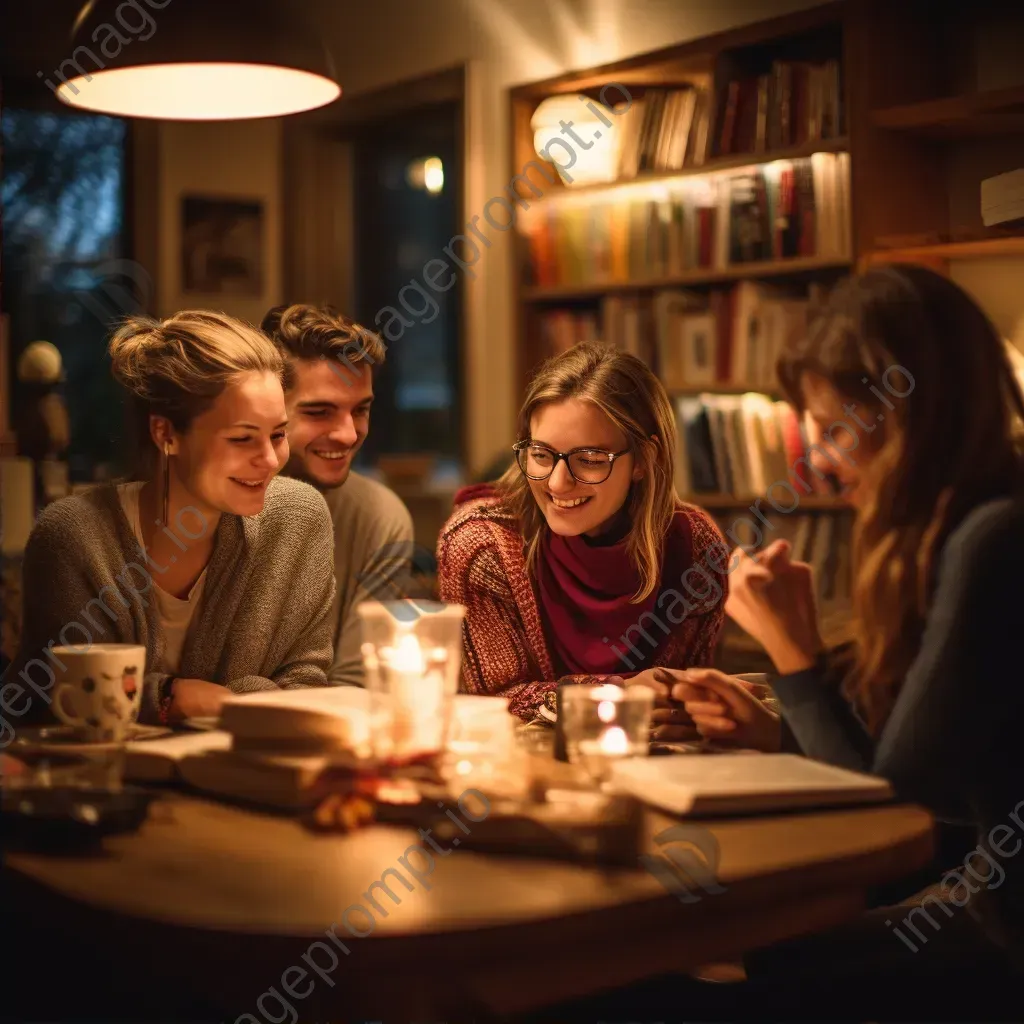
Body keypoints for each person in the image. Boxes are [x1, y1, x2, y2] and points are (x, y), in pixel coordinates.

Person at [661, 265, 1024, 1012]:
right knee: (716, 954)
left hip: (1004, 934)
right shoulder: (969, 522)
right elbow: (936, 779)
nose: (818, 462)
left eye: (831, 430)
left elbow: (889, 808)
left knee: (682, 981)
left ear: (908, 414)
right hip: (977, 891)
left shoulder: (993, 540)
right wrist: (781, 727)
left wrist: (793, 656)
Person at [9, 310, 336, 729]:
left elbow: (307, 688)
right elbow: (50, 698)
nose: (271, 460)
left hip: (253, 779)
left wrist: (208, 700)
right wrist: (167, 697)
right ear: (166, 434)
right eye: (242, 438)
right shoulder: (74, 537)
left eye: (278, 434)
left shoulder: (298, 520)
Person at [437, 341, 729, 724]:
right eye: (541, 454)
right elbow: (491, 701)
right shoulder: (481, 544)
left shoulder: (697, 549)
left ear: (644, 459)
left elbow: (685, 708)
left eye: (589, 460)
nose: (558, 484)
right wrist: (618, 693)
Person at [261, 304, 417, 686]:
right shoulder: (214, 507)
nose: (348, 434)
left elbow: (354, 683)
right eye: (319, 412)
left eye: (360, 410)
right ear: (267, 408)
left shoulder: (380, 516)